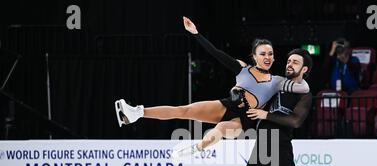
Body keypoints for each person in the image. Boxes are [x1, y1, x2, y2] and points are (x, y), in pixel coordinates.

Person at [115, 17, 309, 158]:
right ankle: (136, 113)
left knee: (221, 128)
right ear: (254, 56)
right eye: (263, 53)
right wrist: (196, 34)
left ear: (274, 57)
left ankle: (195, 148)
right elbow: (216, 53)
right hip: (228, 106)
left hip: (246, 118)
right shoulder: (242, 68)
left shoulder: (276, 81)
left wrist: (299, 74)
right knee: (184, 110)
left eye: (270, 54)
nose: (267, 57)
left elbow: (304, 88)